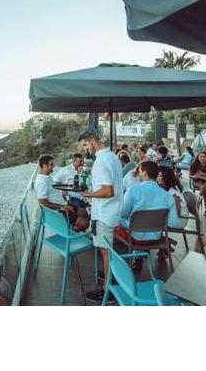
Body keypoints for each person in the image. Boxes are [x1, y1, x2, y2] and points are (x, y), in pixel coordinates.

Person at [78, 128, 123, 303]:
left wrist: (89, 195)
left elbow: (108, 190)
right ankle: (108, 277)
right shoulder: (112, 157)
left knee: (107, 253)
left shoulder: (102, 161)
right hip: (111, 211)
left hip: (104, 213)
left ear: (93, 141)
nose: (85, 149)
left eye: (86, 145)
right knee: (107, 252)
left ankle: (108, 291)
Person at [118, 161, 179, 268]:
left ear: (145, 173)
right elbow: (174, 223)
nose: (139, 175)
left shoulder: (133, 190)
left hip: (134, 237)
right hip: (155, 238)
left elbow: (122, 213)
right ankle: (137, 255)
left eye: (140, 172)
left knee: (113, 222)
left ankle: (117, 266)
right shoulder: (168, 196)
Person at [35, 155, 89, 231]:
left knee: (84, 212)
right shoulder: (42, 182)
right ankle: (70, 232)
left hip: (63, 203)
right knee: (85, 223)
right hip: (59, 211)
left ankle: (75, 228)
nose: (53, 166)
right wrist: (61, 207)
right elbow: (42, 202)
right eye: (51, 164)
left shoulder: (46, 176)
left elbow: (53, 189)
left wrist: (63, 191)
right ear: (44, 166)